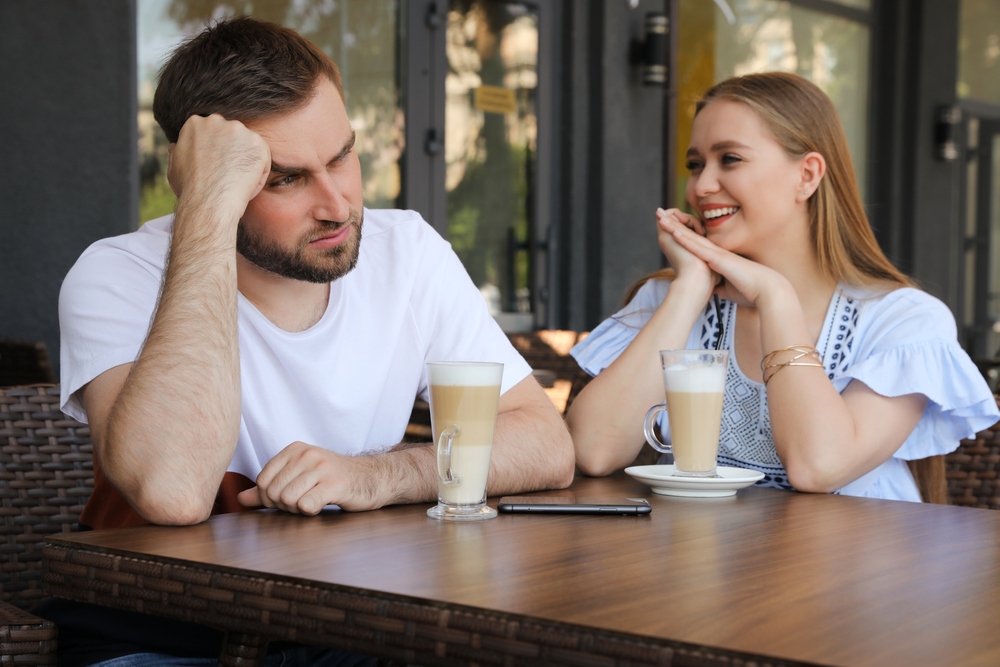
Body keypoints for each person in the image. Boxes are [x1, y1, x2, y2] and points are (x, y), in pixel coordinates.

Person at [46, 16, 574, 666]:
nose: (338, 204)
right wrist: (206, 211)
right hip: (163, 634)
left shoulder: (405, 252)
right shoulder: (117, 273)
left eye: (342, 156)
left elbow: (546, 443)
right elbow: (173, 490)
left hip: (347, 621)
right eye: (284, 178)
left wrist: (378, 474)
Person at [567, 72, 999, 501]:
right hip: (693, 560)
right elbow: (592, 451)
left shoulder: (904, 321)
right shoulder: (673, 299)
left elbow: (819, 467)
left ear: (807, 175)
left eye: (730, 159)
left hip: (858, 565)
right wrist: (690, 288)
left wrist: (775, 298)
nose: (700, 186)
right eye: (695, 165)